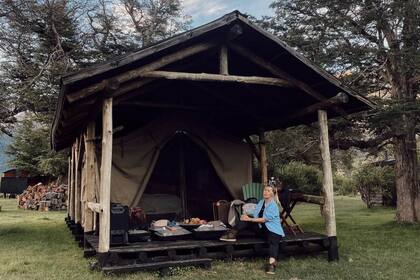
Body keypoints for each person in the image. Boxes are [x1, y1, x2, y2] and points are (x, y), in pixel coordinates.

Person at [220, 185, 285, 274]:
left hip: (273, 230)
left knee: (273, 241)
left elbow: (264, 219)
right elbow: (255, 214)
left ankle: (272, 264)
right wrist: (246, 215)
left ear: (273, 194)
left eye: (269, 191)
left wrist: (249, 219)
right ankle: (232, 234)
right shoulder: (261, 202)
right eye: (265, 190)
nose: (266, 192)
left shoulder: (273, 205)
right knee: (245, 220)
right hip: (262, 228)